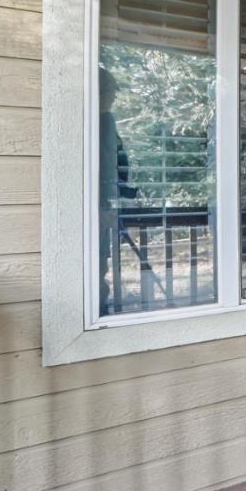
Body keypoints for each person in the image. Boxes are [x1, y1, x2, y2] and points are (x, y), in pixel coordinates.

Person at [98, 67, 137, 314]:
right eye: (111, 91)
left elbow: (112, 162)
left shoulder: (103, 121)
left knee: (99, 262)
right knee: (96, 263)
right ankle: (98, 309)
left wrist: (121, 191)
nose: (113, 97)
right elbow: (107, 163)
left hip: (104, 202)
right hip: (100, 205)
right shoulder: (102, 121)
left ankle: (99, 307)